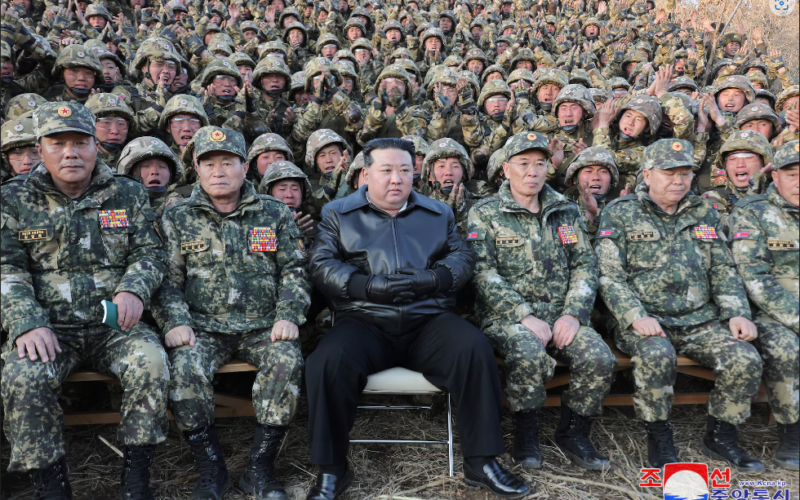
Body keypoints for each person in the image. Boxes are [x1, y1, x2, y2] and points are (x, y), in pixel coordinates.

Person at [305, 138, 529, 500]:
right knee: (326, 363)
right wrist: (366, 286)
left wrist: (435, 278)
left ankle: (481, 461)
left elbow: (462, 258)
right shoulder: (338, 212)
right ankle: (331, 469)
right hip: (365, 321)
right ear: (365, 174)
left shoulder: (438, 213)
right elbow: (320, 263)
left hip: (427, 320)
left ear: (415, 173)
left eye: (405, 170)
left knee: (474, 349)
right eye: (387, 170)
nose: (396, 179)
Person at [1, 101, 169, 499]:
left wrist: (134, 288)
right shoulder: (13, 199)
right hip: (48, 327)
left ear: (97, 146)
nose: (70, 153)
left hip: (115, 324)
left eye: (80, 142)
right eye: (57, 144)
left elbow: (150, 253)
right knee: (21, 379)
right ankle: (50, 485)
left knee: (152, 362)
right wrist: (27, 321)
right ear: (40, 148)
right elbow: (6, 268)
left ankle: (136, 478)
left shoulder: (126, 193)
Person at [152, 126, 310, 500]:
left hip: (264, 327)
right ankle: (211, 469)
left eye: (228, 162)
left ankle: (260, 467)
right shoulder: (177, 217)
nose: (218, 171)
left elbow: (295, 270)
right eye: (209, 163)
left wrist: (288, 313)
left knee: (287, 359)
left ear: (245, 167)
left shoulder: (273, 212)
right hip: (203, 328)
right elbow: (167, 281)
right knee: (184, 367)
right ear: (196, 167)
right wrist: (175, 322)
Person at [595, 139, 765, 473]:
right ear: (648, 174)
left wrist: (737, 313)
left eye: (686, 172)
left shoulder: (703, 211)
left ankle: (722, 435)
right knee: (656, 354)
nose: (679, 180)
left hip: (699, 320)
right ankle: (658, 435)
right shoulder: (621, 212)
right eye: (669, 172)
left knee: (745, 358)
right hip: (646, 320)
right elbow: (608, 276)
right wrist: (635, 316)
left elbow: (721, 268)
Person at [467, 132, 616, 472]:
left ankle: (575, 431)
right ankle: (527, 432)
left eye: (540, 164)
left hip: (562, 315)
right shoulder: (486, 213)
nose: (532, 172)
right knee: (527, 350)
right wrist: (524, 316)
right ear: (506, 169)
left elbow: (584, 264)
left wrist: (574, 315)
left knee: (598, 357)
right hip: (508, 318)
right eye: (523, 164)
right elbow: (482, 271)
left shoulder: (565, 211)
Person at [728, 140, 799, 471]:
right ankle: (793, 434)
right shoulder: (753, 211)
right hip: (771, 313)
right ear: (776, 177)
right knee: (787, 348)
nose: (798, 181)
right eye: (792, 173)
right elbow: (755, 278)